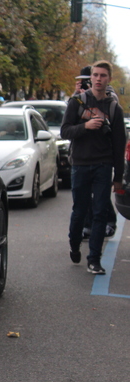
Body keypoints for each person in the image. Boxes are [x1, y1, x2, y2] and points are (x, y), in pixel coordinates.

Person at [61, 60, 126, 275]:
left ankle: (94, 260)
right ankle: (74, 245)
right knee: (79, 211)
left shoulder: (114, 108)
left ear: (109, 79)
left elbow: (119, 144)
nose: (99, 79)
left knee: (99, 212)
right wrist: (85, 126)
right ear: (90, 79)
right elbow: (65, 131)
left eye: (103, 76)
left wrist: (118, 176)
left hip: (103, 165)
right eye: (95, 75)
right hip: (80, 164)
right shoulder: (77, 102)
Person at [73, 66, 119, 240]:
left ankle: (108, 222)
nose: (94, 81)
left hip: (102, 154)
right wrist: (76, 94)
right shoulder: (79, 98)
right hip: (81, 152)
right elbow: (70, 119)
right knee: (84, 198)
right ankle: (87, 225)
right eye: (91, 78)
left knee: (100, 196)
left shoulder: (109, 96)